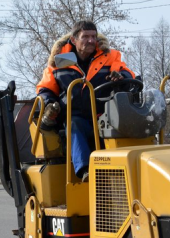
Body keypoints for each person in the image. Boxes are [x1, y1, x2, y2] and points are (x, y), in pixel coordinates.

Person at [36, 20, 136, 181]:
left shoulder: (109, 56)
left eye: (93, 36)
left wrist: (120, 76)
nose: (91, 40)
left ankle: (128, 171)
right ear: (74, 40)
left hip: (105, 116)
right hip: (76, 117)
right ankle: (85, 171)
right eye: (86, 37)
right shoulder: (58, 63)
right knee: (73, 124)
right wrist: (49, 105)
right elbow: (45, 90)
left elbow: (128, 73)